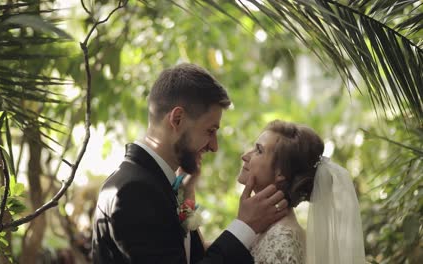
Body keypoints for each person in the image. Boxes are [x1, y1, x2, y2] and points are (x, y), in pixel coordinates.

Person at [92, 63, 288, 264]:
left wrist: (186, 198)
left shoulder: (156, 183)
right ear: (177, 119)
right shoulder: (133, 191)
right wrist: (245, 225)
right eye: (210, 131)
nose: (214, 146)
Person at [238, 119, 366, 264]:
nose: (245, 156)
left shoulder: (282, 238)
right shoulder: (261, 228)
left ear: (281, 172)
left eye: (258, 150)